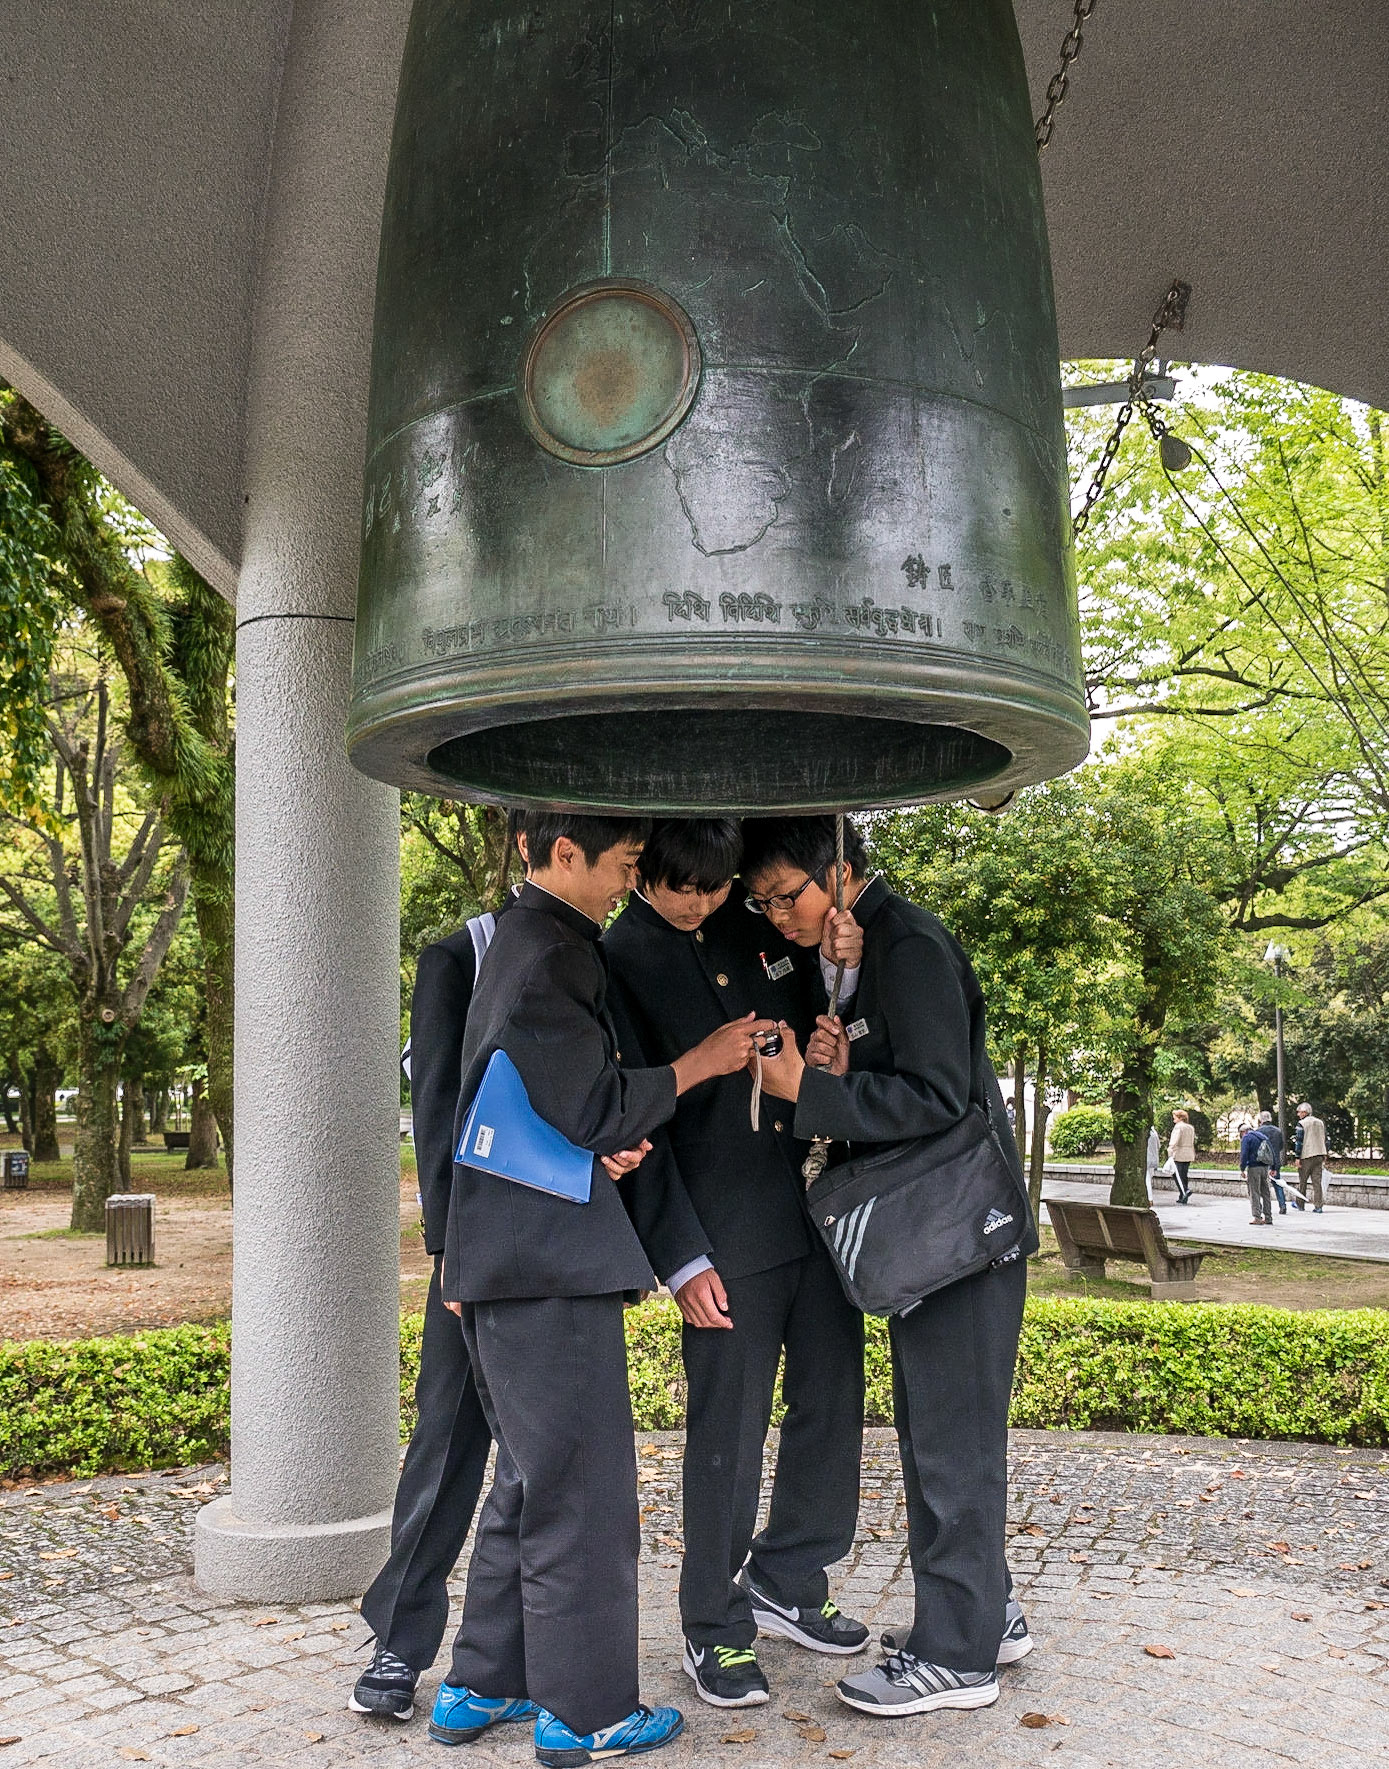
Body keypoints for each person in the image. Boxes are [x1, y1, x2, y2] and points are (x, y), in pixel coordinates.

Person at [436, 811, 773, 1764]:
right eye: (623, 862)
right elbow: (593, 1103)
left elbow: (526, 1106)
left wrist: (593, 1150)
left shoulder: (524, 942)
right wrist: (702, 1060)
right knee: (582, 1492)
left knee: (532, 1476)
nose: (631, 878)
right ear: (562, 852)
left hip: (509, 1256)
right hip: (546, 1267)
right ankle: (584, 1711)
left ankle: (481, 1680)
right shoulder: (552, 955)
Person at [744, 816, 1035, 1720]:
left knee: (952, 1446)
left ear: (837, 871)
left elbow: (939, 1095)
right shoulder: (871, 946)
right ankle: (987, 1613)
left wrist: (810, 1090)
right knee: (936, 1433)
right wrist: (843, 1043)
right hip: (938, 1238)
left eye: (786, 893)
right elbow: (902, 1071)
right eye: (763, 902)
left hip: (957, 1236)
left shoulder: (906, 942)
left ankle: (957, 1655)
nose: (777, 913)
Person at [604, 818, 869, 1711]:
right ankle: (711, 1624)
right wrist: (680, 1259)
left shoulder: (750, 920)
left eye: (720, 891)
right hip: (718, 1231)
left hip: (811, 1211)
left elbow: (808, 1020)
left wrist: (823, 1039)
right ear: (646, 873)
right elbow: (632, 1125)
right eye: (687, 890)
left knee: (831, 1400)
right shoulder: (619, 954)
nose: (704, 905)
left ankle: (791, 1575)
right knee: (729, 1427)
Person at [1238, 1120, 1274, 1226]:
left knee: (1254, 1192)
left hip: (1254, 1168)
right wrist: (1273, 1167)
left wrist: (1242, 1168)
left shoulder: (1247, 1138)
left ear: (1243, 1132)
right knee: (1266, 1193)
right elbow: (1271, 1152)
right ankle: (1268, 1217)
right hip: (1265, 1168)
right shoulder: (1263, 1136)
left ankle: (1257, 1217)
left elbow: (1244, 1155)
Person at [1296, 1102, 1329, 1212]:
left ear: (1305, 1112)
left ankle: (1300, 1204)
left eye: (1299, 1112)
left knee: (1303, 1181)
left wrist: (1297, 1157)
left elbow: (1299, 1142)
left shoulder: (1302, 1124)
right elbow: (1326, 1139)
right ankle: (1318, 1206)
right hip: (1319, 1154)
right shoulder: (1320, 1123)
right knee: (1317, 1182)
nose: (1298, 1114)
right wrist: (1325, 1152)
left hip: (1306, 1155)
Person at [1257, 1110, 1290, 1214]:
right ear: (1270, 1119)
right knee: (1277, 1183)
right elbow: (1281, 1146)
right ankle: (1282, 1205)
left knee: (1262, 1185)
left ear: (1261, 1120)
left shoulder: (1258, 1131)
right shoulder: (1278, 1131)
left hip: (1263, 1162)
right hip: (1275, 1161)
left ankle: (1263, 1207)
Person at [1166, 1110, 1196, 1204]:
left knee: (1177, 1175)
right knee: (1184, 1174)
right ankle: (1182, 1196)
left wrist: (1170, 1150)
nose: (1173, 1118)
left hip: (1179, 1153)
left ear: (1180, 1117)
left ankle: (1185, 1190)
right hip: (1188, 1153)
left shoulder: (1178, 1127)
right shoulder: (1190, 1127)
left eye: (1175, 1116)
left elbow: (1174, 1140)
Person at [1144, 1125, 1160, 1203]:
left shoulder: (1144, 1133)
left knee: (1147, 1180)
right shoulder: (1154, 1132)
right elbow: (1158, 1146)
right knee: (1148, 1179)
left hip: (1146, 1159)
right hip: (1153, 1158)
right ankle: (1149, 1198)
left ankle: (1149, 1199)